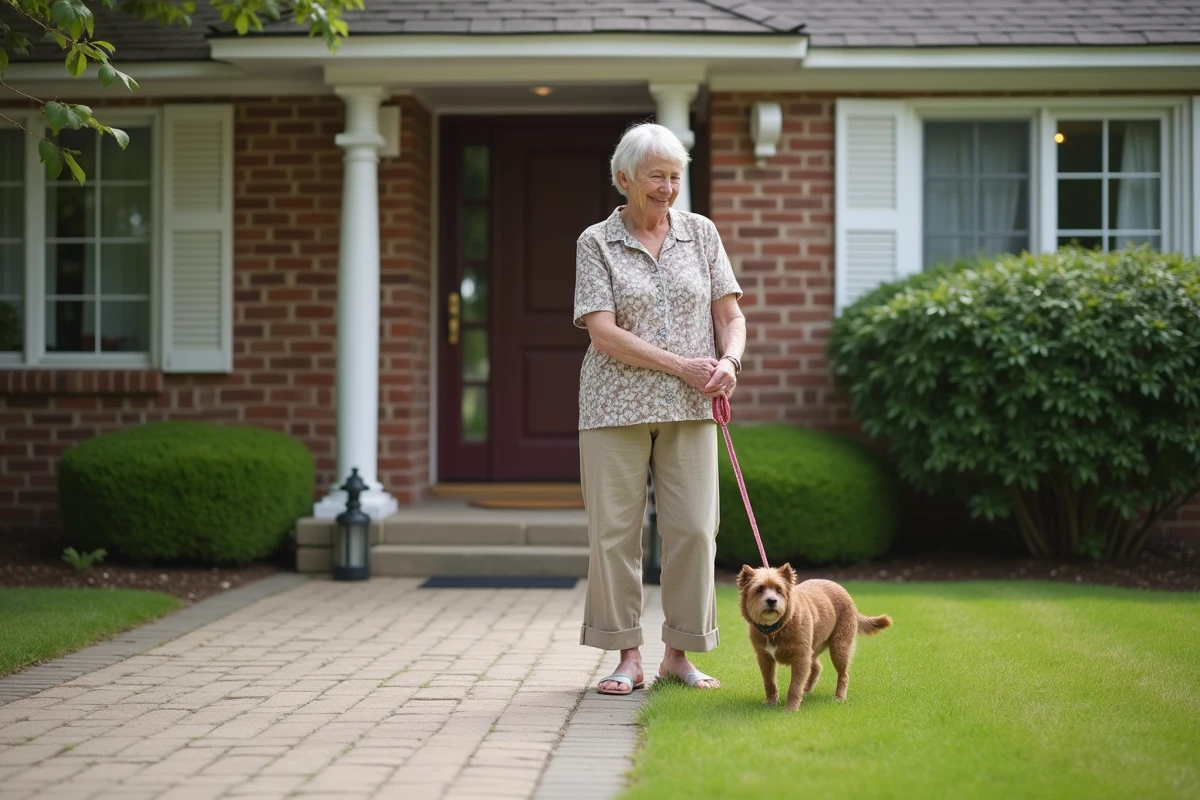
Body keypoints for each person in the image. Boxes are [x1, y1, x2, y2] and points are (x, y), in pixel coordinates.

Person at [572, 122, 746, 695]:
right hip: (612, 407)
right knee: (615, 535)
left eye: (675, 176)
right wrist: (685, 364)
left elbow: (730, 317)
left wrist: (730, 362)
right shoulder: (596, 241)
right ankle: (627, 657)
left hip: (692, 406)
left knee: (695, 530)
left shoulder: (702, 234)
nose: (668, 187)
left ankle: (680, 655)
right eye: (656, 177)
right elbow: (604, 333)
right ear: (625, 179)